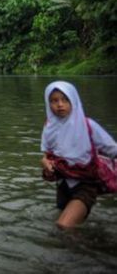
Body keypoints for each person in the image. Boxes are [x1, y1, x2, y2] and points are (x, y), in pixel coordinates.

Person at [41, 81, 117, 228]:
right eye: (54, 101)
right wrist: (45, 163)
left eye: (65, 100)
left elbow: (112, 149)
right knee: (71, 227)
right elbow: (47, 156)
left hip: (86, 185)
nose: (60, 104)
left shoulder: (87, 125)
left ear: (73, 101)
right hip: (63, 185)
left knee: (63, 225)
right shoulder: (49, 127)